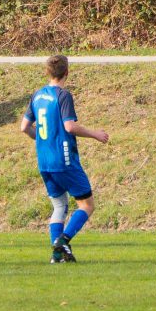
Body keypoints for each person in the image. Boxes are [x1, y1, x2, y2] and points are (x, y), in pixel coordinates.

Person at [23, 54, 109, 264]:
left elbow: (24, 127)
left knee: (59, 206)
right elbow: (69, 126)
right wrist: (95, 134)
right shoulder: (63, 95)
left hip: (44, 161)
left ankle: (57, 256)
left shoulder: (37, 95)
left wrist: (42, 139)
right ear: (66, 73)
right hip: (64, 159)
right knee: (87, 205)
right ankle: (63, 240)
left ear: (47, 72)